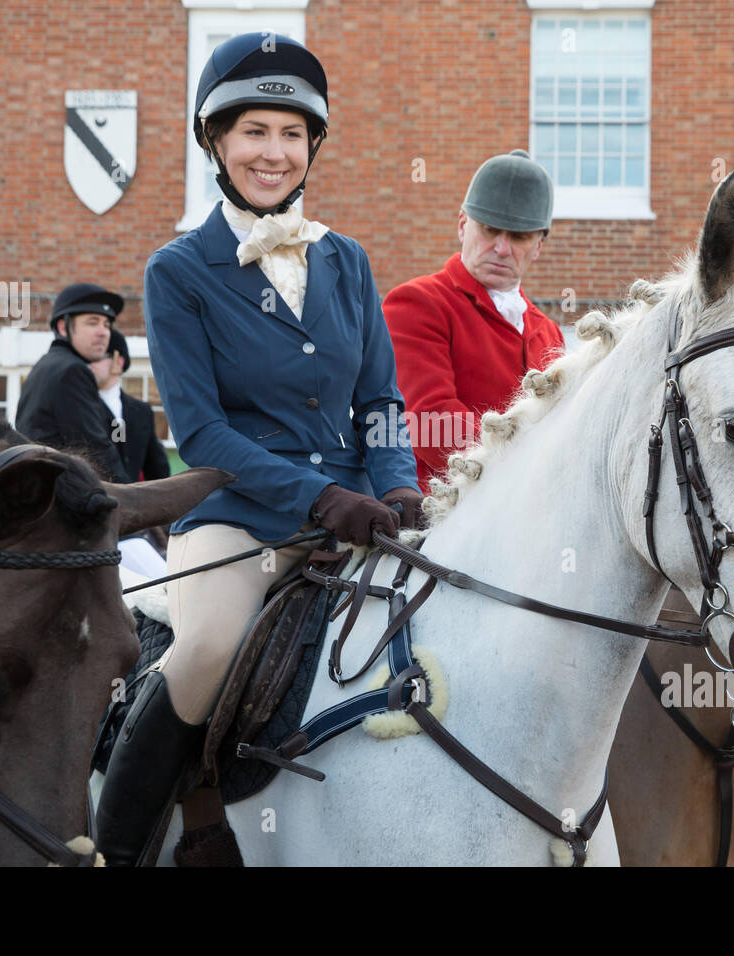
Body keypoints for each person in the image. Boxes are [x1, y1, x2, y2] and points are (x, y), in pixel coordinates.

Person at [95, 33, 422, 867]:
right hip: (237, 510)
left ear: (311, 147)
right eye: (254, 132)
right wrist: (319, 501)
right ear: (216, 142)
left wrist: (401, 486)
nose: (273, 152)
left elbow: (380, 399)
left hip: (360, 503)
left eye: (290, 134)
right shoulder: (178, 270)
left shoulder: (347, 261)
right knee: (206, 649)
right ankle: (118, 850)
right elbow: (202, 432)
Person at [383, 149, 564, 492]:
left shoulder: (549, 331)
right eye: (490, 230)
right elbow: (431, 424)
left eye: (519, 237)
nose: (501, 248)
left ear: (538, 246)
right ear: (463, 225)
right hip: (441, 515)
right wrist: (532, 461)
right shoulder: (416, 302)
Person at [15, 282, 131, 483]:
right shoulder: (72, 371)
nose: (104, 332)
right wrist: (133, 500)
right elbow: (96, 451)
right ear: (63, 327)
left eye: (107, 324)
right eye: (92, 322)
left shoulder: (48, 364)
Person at [90, 329, 171, 483]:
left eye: (97, 358)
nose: (89, 365)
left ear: (118, 361)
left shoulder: (141, 411)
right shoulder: (80, 406)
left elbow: (157, 469)